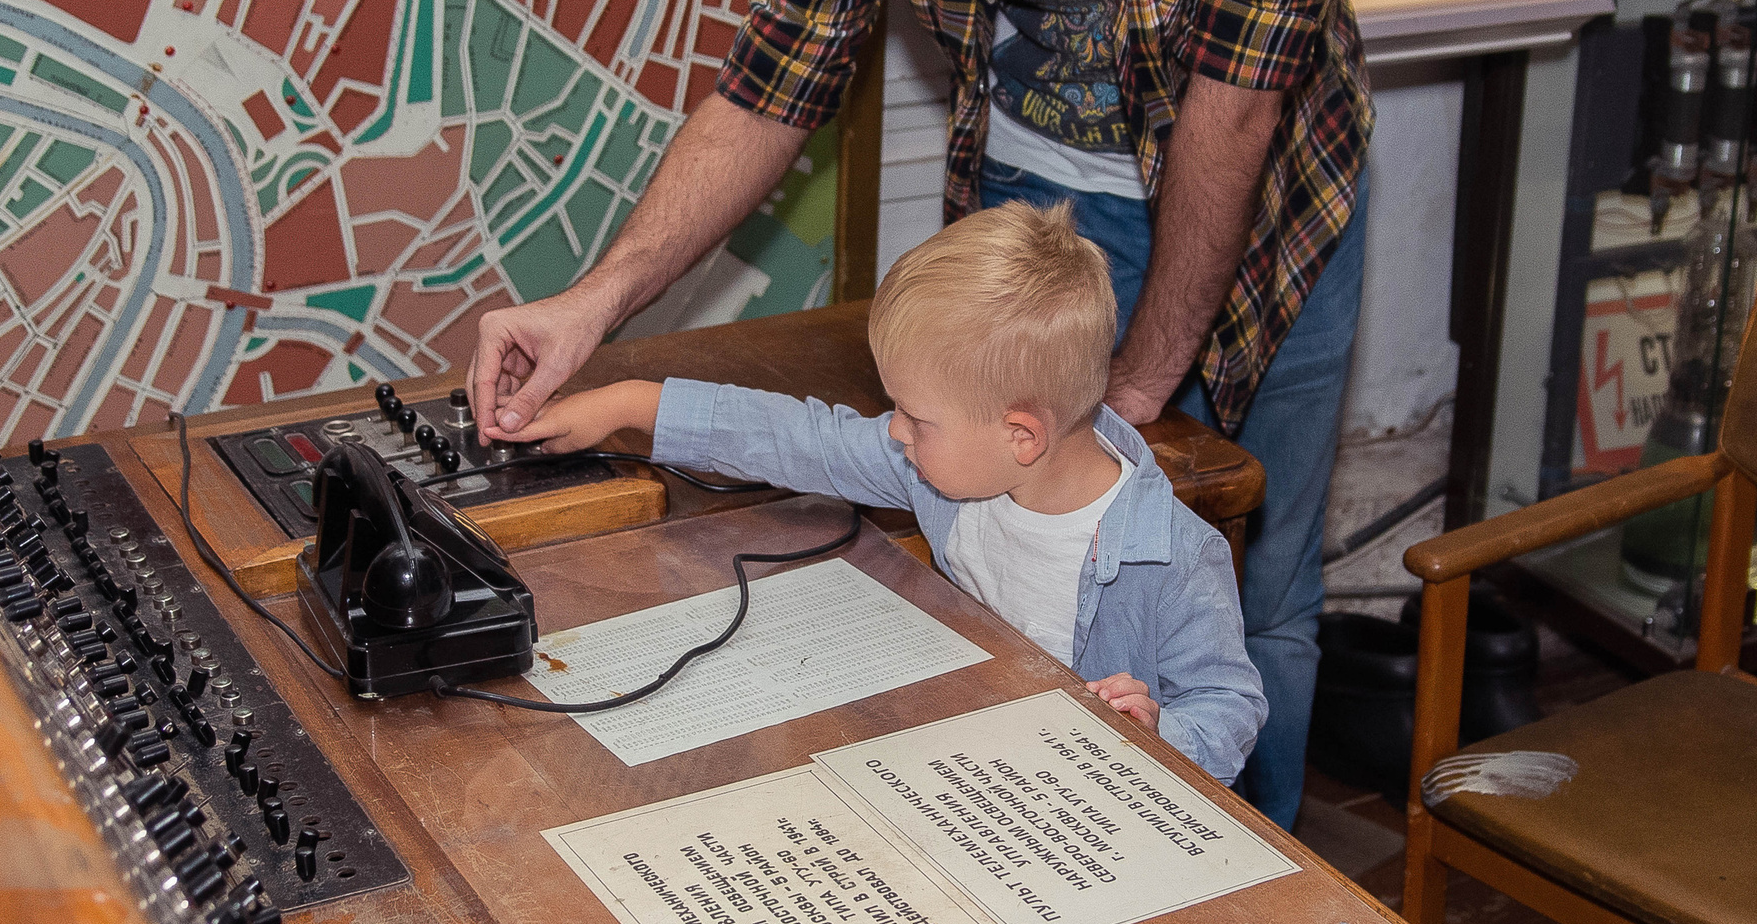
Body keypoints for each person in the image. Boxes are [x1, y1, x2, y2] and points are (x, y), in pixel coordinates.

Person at [470, 0, 1369, 830]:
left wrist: (1121, 410)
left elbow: (1236, 103)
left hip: (1265, 210)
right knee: (1013, 573)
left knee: (1249, 581)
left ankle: (1256, 906)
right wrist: (593, 307)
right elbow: (777, 75)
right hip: (1023, 229)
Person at [500, 202, 1266, 782]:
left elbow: (1230, 706)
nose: (894, 432)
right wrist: (632, 404)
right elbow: (798, 436)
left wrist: (1161, 733)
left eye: (915, 415)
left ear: (1021, 435)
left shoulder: (1174, 556)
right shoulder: (946, 462)